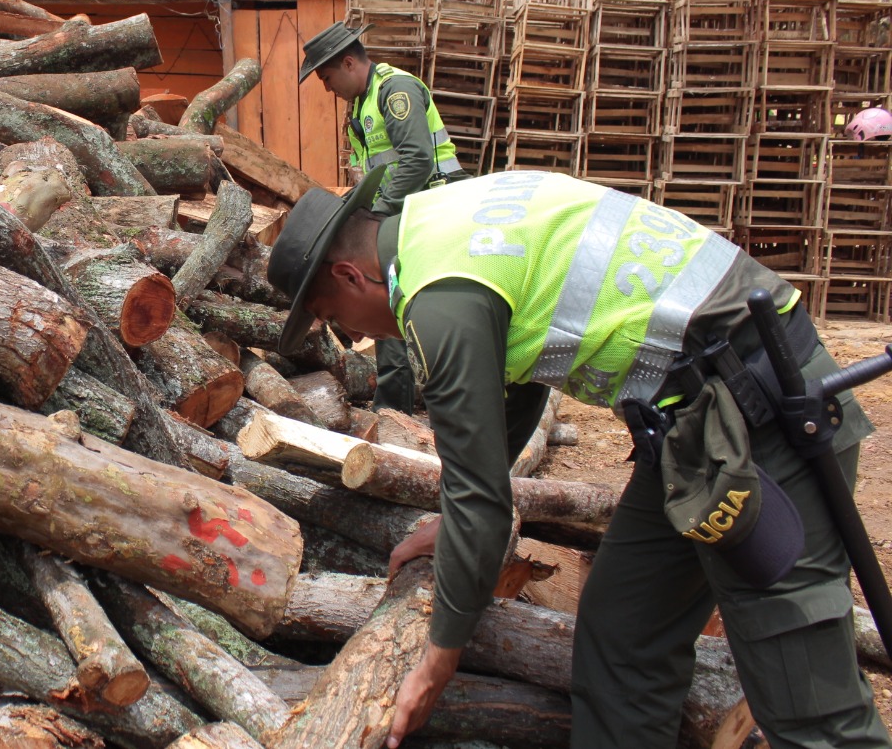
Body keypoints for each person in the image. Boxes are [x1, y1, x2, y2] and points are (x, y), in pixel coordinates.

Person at [266, 168, 890, 749]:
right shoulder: (443, 221)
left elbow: (481, 503)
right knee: (624, 637)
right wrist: (455, 527)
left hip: (760, 415)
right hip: (689, 425)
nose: (358, 337)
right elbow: (521, 377)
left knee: (805, 699)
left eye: (334, 319)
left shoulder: (438, 300)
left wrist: (437, 659)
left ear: (350, 276)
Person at [298, 21, 468, 413]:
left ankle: (396, 408)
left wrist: (376, 215)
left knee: (397, 297)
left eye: (327, 78)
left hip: (435, 207)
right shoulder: (360, 107)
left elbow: (418, 160)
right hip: (403, 212)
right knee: (389, 301)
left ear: (349, 62)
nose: (327, 88)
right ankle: (396, 405)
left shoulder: (395, 91)